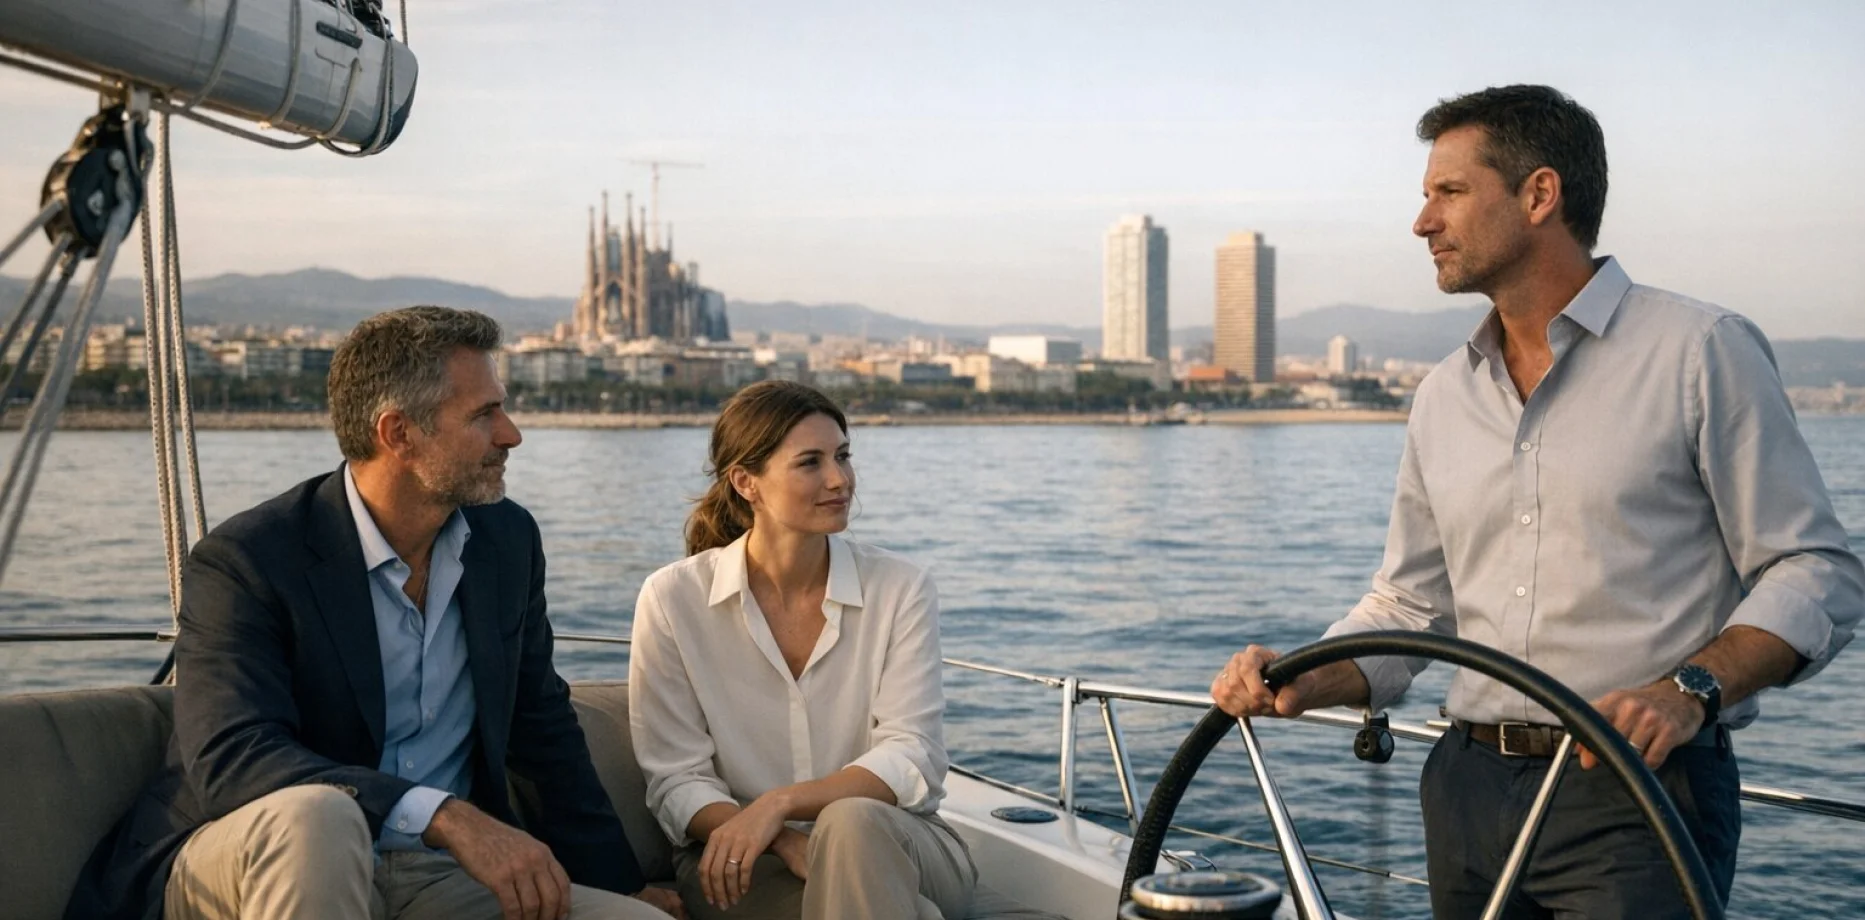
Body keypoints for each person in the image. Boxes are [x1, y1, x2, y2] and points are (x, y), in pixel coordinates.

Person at [1211, 85, 1862, 919]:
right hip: (1463, 790)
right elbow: (1408, 605)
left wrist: (1686, 689)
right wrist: (1301, 677)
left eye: (1447, 193)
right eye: (1424, 197)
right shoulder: (1443, 394)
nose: (1421, 223)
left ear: (1538, 195)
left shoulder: (1699, 351)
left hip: (1633, 790)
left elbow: (1814, 570)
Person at [68, 307, 684, 920]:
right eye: (484, 414)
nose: (511, 434)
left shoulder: (507, 541)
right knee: (320, 814)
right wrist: (440, 814)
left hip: (435, 876)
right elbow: (233, 757)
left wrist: (621, 884)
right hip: (253, 861)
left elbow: (540, 725)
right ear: (398, 434)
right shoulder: (249, 559)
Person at [628, 380, 976, 920]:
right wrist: (779, 837)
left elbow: (913, 751)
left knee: (850, 822)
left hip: (904, 840)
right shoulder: (674, 598)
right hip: (740, 856)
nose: (840, 480)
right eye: (810, 462)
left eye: (842, 456)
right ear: (746, 482)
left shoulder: (900, 587)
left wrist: (781, 804)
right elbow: (676, 778)